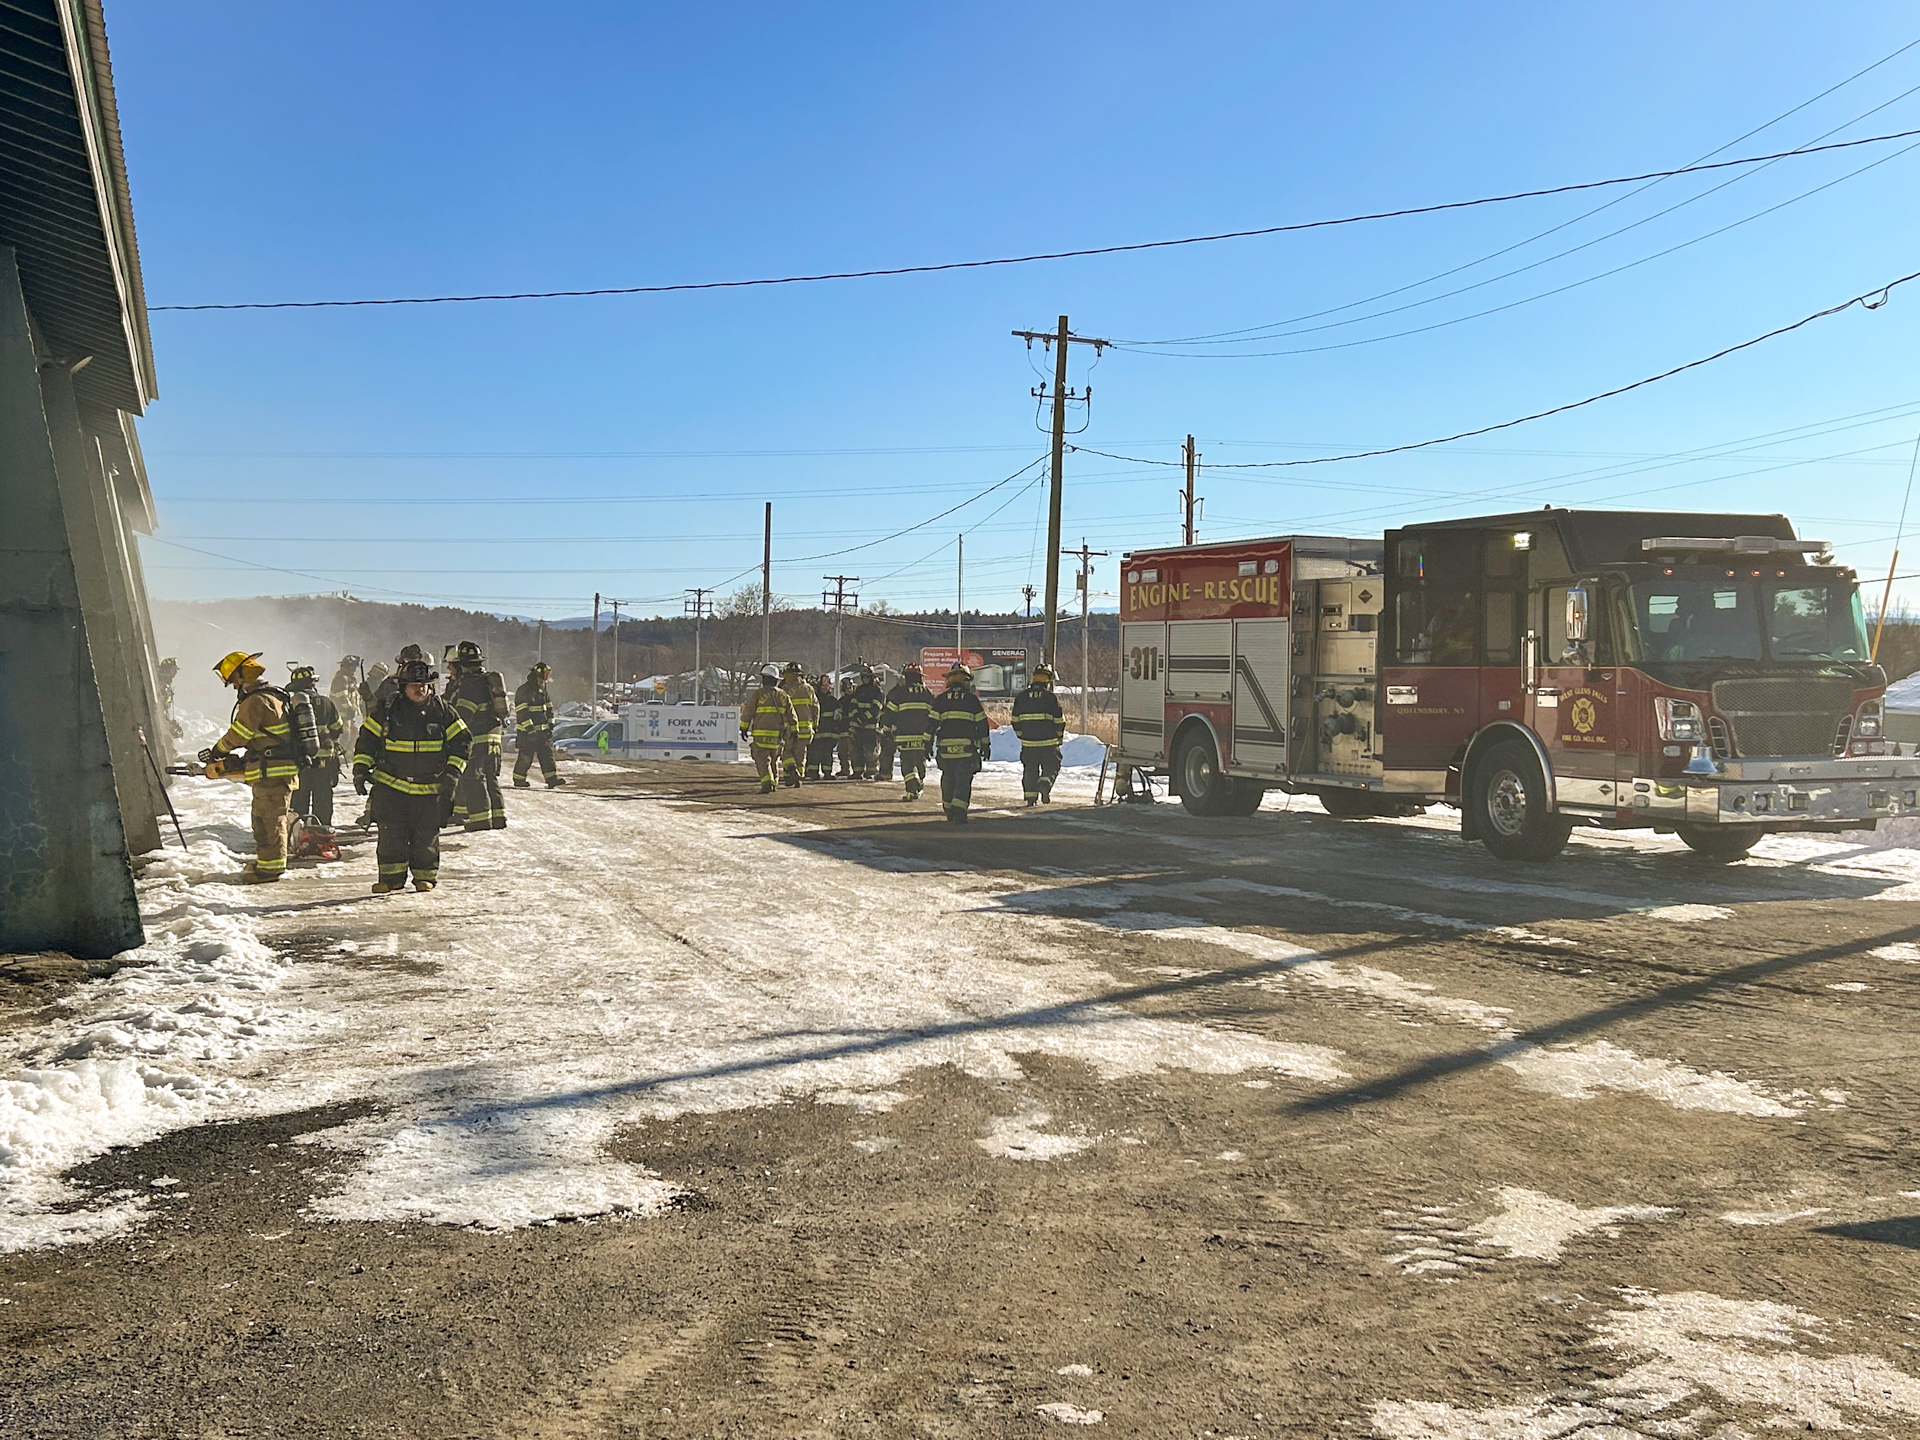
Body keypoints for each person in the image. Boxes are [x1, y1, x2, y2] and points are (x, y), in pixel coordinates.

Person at [353, 657, 471, 893]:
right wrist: (360, 769)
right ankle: (390, 879)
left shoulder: (443, 711)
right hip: (391, 786)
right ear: (403, 687)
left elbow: (463, 743)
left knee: (425, 835)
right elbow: (367, 741)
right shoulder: (387, 711)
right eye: (415, 685)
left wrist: (452, 774)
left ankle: (424, 877)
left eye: (425, 685)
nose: (421, 689)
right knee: (391, 834)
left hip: (429, 788)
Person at [202, 650, 302, 882]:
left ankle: (269, 870)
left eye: (234, 681)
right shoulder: (271, 697)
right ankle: (267, 864)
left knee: (268, 821)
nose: (234, 686)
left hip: (272, 772)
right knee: (265, 819)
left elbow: (240, 734)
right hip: (273, 769)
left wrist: (219, 750)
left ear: (243, 675)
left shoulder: (256, 701)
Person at [445, 639, 508, 831]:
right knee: (491, 778)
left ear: (462, 664)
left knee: (473, 778)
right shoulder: (486, 681)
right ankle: (498, 817)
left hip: (478, 737)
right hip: (494, 737)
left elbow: (463, 715)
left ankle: (481, 820)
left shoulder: (469, 685)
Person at [932, 662, 990, 824]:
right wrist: (985, 744)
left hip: (945, 749)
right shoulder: (972, 700)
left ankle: (948, 808)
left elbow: (931, 724)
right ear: (966, 680)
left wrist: (927, 743)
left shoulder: (940, 700)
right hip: (967, 749)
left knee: (948, 777)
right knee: (963, 779)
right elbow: (982, 724)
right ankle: (960, 810)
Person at [287, 664, 344, 828]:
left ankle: (298, 830)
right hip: (324, 760)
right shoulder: (326, 702)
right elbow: (337, 727)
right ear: (312, 683)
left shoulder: (289, 705)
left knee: (299, 797)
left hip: (300, 760)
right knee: (323, 797)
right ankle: (322, 831)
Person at [1011, 662, 1066, 806]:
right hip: (1049, 742)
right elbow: (1059, 721)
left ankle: (1030, 798)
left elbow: (1015, 720)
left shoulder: (1021, 697)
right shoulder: (1050, 698)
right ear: (1048, 680)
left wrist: (1022, 736)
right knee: (1052, 764)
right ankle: (1045, 784)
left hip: (1029, 743)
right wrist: (1059, 738)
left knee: (1030, 768)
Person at [739, 664, 795, 794]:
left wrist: (743, 728)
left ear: (764, 679)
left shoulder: (758, 694)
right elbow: (792, 715)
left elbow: (748, 712)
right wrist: (794, 730)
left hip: (761, 735)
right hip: (777, 736)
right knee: (774, 759)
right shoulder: (784, 695)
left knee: (762, 759)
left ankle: (767, 783)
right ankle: (774, 782)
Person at [881, 662, 934, 801]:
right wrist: (932, 734)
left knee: (908, 763)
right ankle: (919, 784)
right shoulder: (927, 693)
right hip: (922, 737)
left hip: (904, 736)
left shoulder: (900, 693)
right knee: (920, 760)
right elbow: (934, 717)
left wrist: (886, 729)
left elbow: (890, 713)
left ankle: (911, 790)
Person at [513, 661, 565, 788]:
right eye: (546, 674)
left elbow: (549, 709)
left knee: (547, 755)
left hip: (542, 733)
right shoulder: (525, 690)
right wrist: (530, 729)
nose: (547, 678)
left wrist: (550, 724)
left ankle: (552, 779)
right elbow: (522, 712)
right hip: (527, 733)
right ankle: (519, 780)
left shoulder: (542, 690)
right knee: (526, 757)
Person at [779, 660, 818, 788]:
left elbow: (781, 709)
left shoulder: (784, 689)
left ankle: (791, 770)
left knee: (787, 752)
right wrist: (815, 724)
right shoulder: (809, 689)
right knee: (800, 754)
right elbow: (816, 708)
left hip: (790, 728)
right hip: (807, 729)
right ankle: (798, 776)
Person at [846, 665, 885, 780]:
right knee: (856, 750)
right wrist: (856, 716)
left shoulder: (877, 691)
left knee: (870, 751)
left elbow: (876, 707)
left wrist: (865, 717)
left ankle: (871, 771)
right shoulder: (859, 690)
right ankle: (857, 772)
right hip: (858, 726)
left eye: (867, 677)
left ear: (871, 677)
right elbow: (852, 704)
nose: (865, 679)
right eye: (863, 677)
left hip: (871, 727)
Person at [811, 675, 845, 780]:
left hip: (830, 732)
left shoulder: (833, 701)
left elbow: (838, 717)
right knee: (815, 752)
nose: (825, 688)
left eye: (827, 685)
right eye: (823, 685)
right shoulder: (814, 700)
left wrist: (836, 728)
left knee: (827, 753)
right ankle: (813, 773)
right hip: (818, 731)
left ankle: (827, 773)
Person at [330, 656, 363, 737]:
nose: (354, 670)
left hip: (349, 714)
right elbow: (341, 697)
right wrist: (349, 709)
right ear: (347, 667)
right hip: (343, 714)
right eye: (353, 667)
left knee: (354, 735)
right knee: (346, 735)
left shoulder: (350, 679)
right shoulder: (341, 679)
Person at [835, 676, 858, 778]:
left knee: (853, 751)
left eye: (850, 687)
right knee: (842, 751)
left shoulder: (856, 699)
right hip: (843, 729)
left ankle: (856, 770)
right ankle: (845, 769)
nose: (849, 689)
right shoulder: (841, 701)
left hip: (853, 728)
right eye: (846, 688)